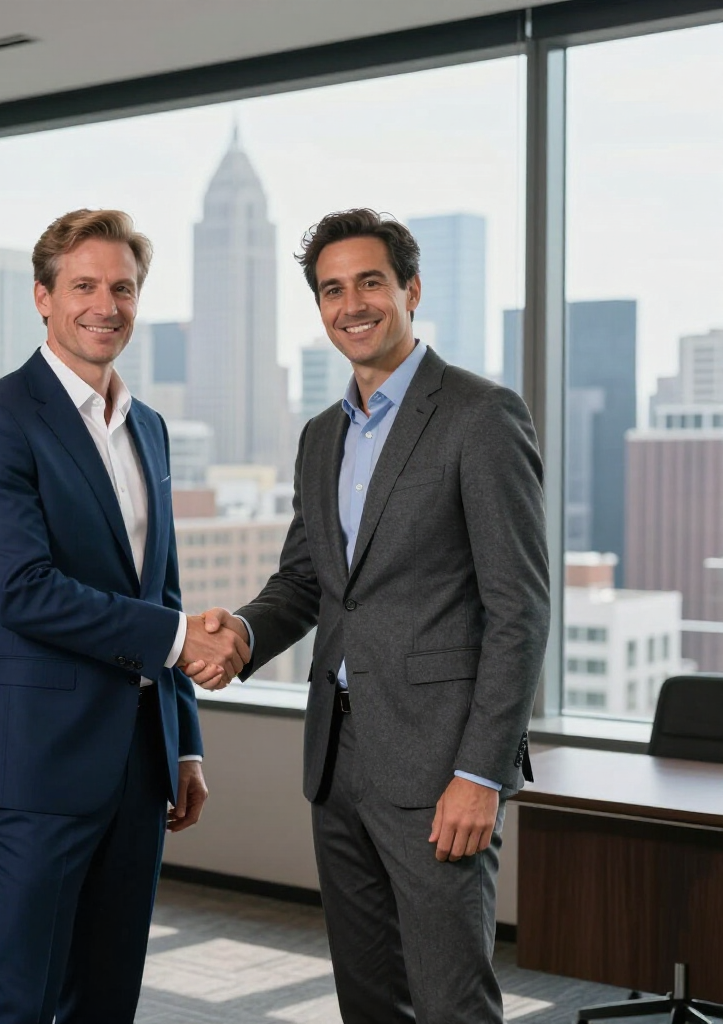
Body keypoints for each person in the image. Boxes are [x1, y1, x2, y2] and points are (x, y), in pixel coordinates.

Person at [195, 209, 550, 1022]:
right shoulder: (324, 436)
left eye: (368, 282)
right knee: (368, 999)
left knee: (451, 998)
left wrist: (480, 774)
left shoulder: (479, 415)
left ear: (410, 290)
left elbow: (519, 609)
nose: (350, 303)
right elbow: (309, 581)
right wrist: (244, 633)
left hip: (438, 762)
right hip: (337, 754)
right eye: (331, 289)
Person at [0, 208, 249, 1024]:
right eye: (84, 285)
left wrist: (182, 742)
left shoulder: (147, 427)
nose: (104, 305)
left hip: (140, 764)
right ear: (43, 297)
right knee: (17, 996)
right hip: (39, 765)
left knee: (108, 995)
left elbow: (164, 590)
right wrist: (183, 644)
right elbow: (24, 589)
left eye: (122, 287)